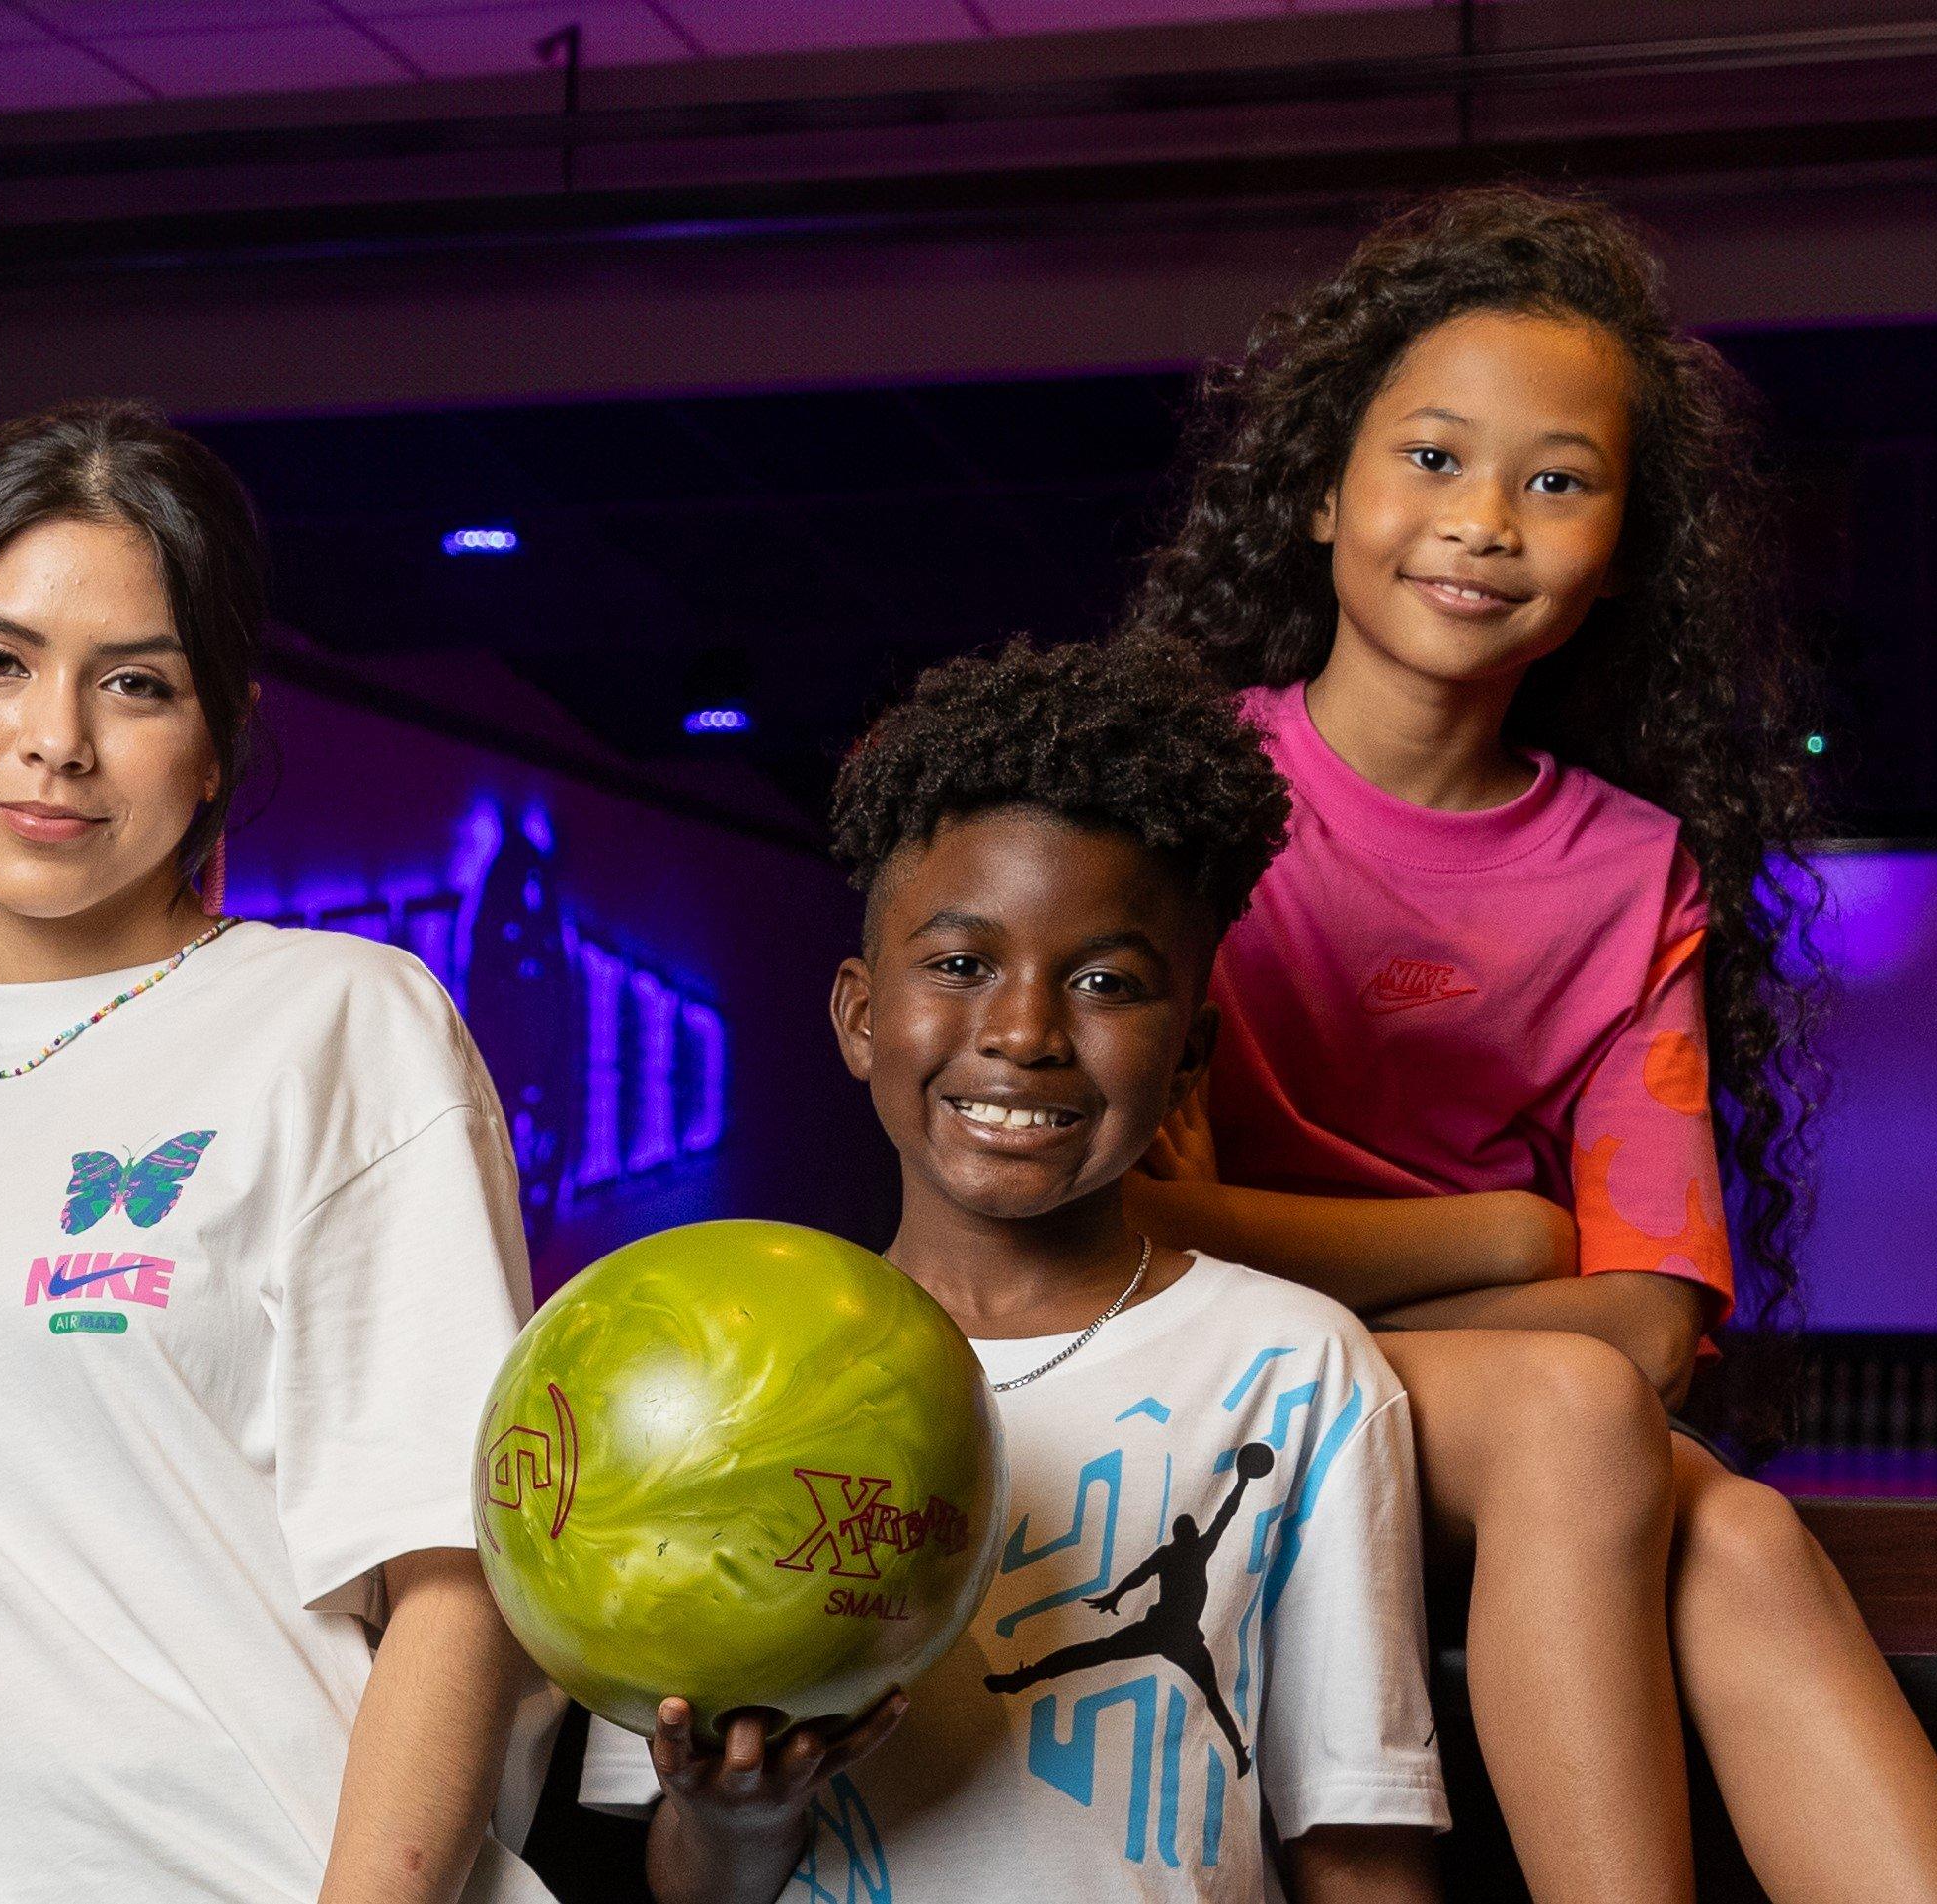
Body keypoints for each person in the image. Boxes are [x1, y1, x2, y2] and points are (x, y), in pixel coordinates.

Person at [1107, 187, 1937, 1903]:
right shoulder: (1172, 796)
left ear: (1620, 549)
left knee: (1737, 1526)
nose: (1483, 521)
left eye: (1557, 479)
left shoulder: (1627, 866)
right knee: (1580, 1410)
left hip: (1473, 1416)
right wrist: (1504, 1236)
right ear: (1318, 487)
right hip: (1183, 1388)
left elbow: (1654, 1318)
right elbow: (1146, 1239)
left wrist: (1407, 1278)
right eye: (1431, 457)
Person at [0, 401, 559, 1904]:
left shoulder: (336, 1023)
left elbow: (457, 1585)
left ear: (217, 736)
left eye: (134, 684)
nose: (54, 741)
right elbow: (40, 1410)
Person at [602, 634, 1438, 1904]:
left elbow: (1357, 1839)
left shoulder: (1298, 1367)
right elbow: (685, 1884)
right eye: (959, 965)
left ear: (1192, 1052)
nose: (1025, 1032)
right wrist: (734, 1818)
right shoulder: (716, 1376)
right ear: (860, 1016)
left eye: (1106, 981)